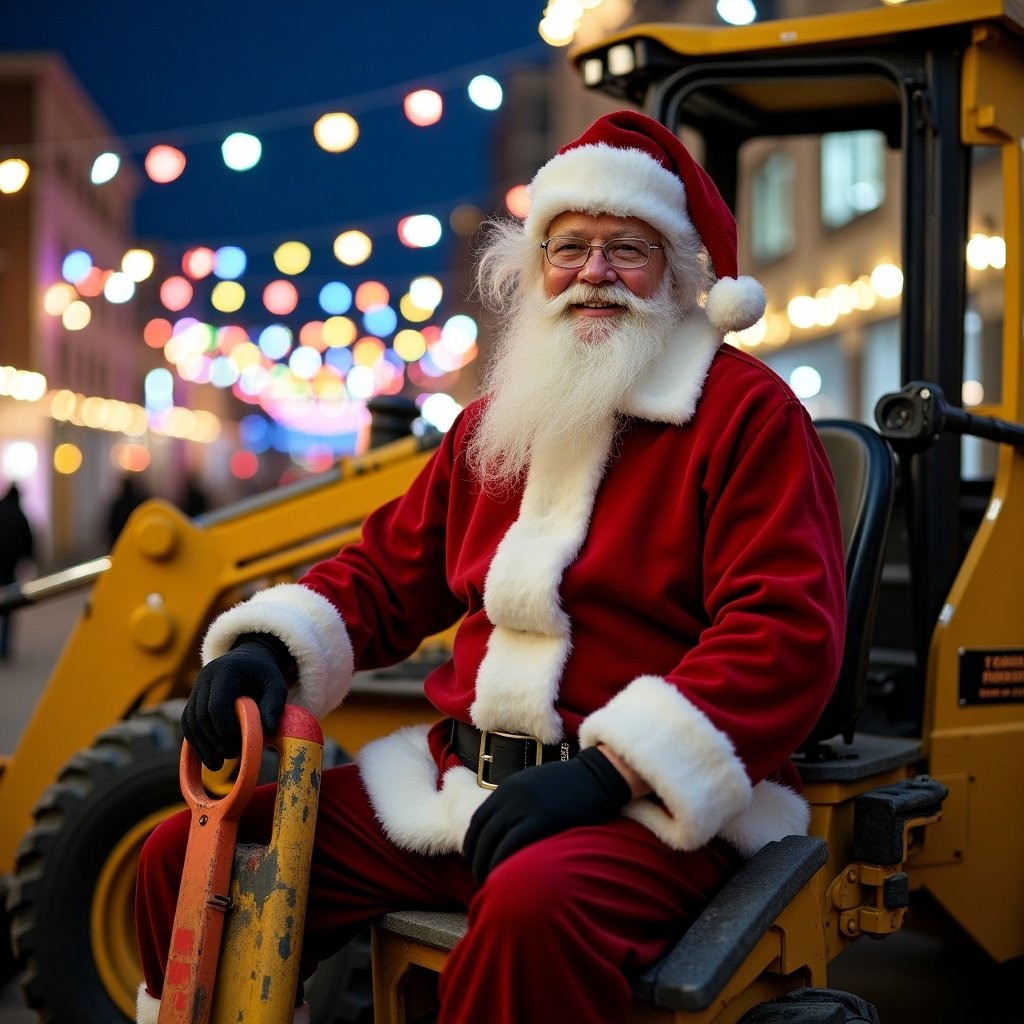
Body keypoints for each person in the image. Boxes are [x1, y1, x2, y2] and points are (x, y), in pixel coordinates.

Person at [134, 110, 846, 1024]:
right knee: (188, 857)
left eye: (626, 247)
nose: (593, 273)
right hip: (461, 788)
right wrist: (270, 649)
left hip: (647, 809)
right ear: (537, 268)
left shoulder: (747, 416)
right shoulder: (493, 423)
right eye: (570, 247)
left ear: (675, 269)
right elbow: (388, 574)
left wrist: (609, 772)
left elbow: (783, 635)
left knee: (530, 909)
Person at [0, 481, 35, 660]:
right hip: (10, 567)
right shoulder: (19, 514)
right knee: (8, 606)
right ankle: (4, 646)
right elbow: (28, 540)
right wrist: (29, 559)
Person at [106, 473, 148, 546]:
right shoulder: (138, 502)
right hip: (134, 539)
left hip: (118, 539)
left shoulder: (117, 503)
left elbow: (111, 523)